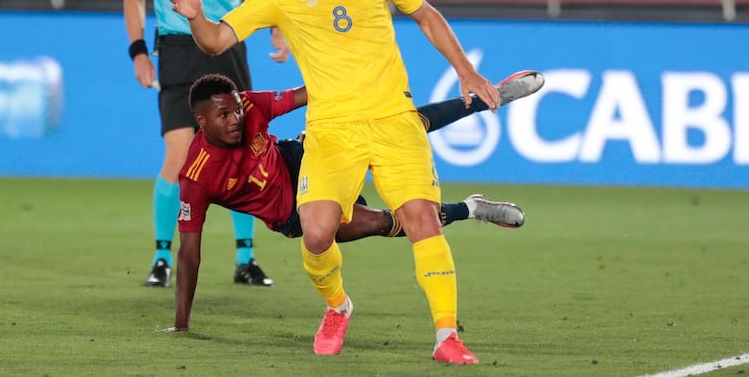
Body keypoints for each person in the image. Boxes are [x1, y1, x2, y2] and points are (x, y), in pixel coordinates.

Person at [168, 0, 507, 364]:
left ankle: (446, 337)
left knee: (422, 220)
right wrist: (196, 17)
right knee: (317, 233)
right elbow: (217, 41)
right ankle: (338, 306)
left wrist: (465, 70)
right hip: (331, 132)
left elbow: (426, 16)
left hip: (394, 122)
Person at [165, 70, 542, 332]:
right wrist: (182, 322)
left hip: (303, 160)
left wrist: (347, 77)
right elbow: (189, 252)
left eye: (237, 110)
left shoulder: (250, 106)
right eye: (224, 115)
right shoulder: (196, 178)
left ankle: (485, 98)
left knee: (400, 123)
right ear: (202, 121)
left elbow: (303, 94)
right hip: (293, 215)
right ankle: (471, 209)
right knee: (383, 222)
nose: (235, 119)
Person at [123, 0, 288, 289]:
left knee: (243, 155)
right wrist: (138, 50)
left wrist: (277, 25)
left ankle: (246, 260)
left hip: (227, 45)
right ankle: (162, 258)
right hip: (177, 51)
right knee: (179, 157)